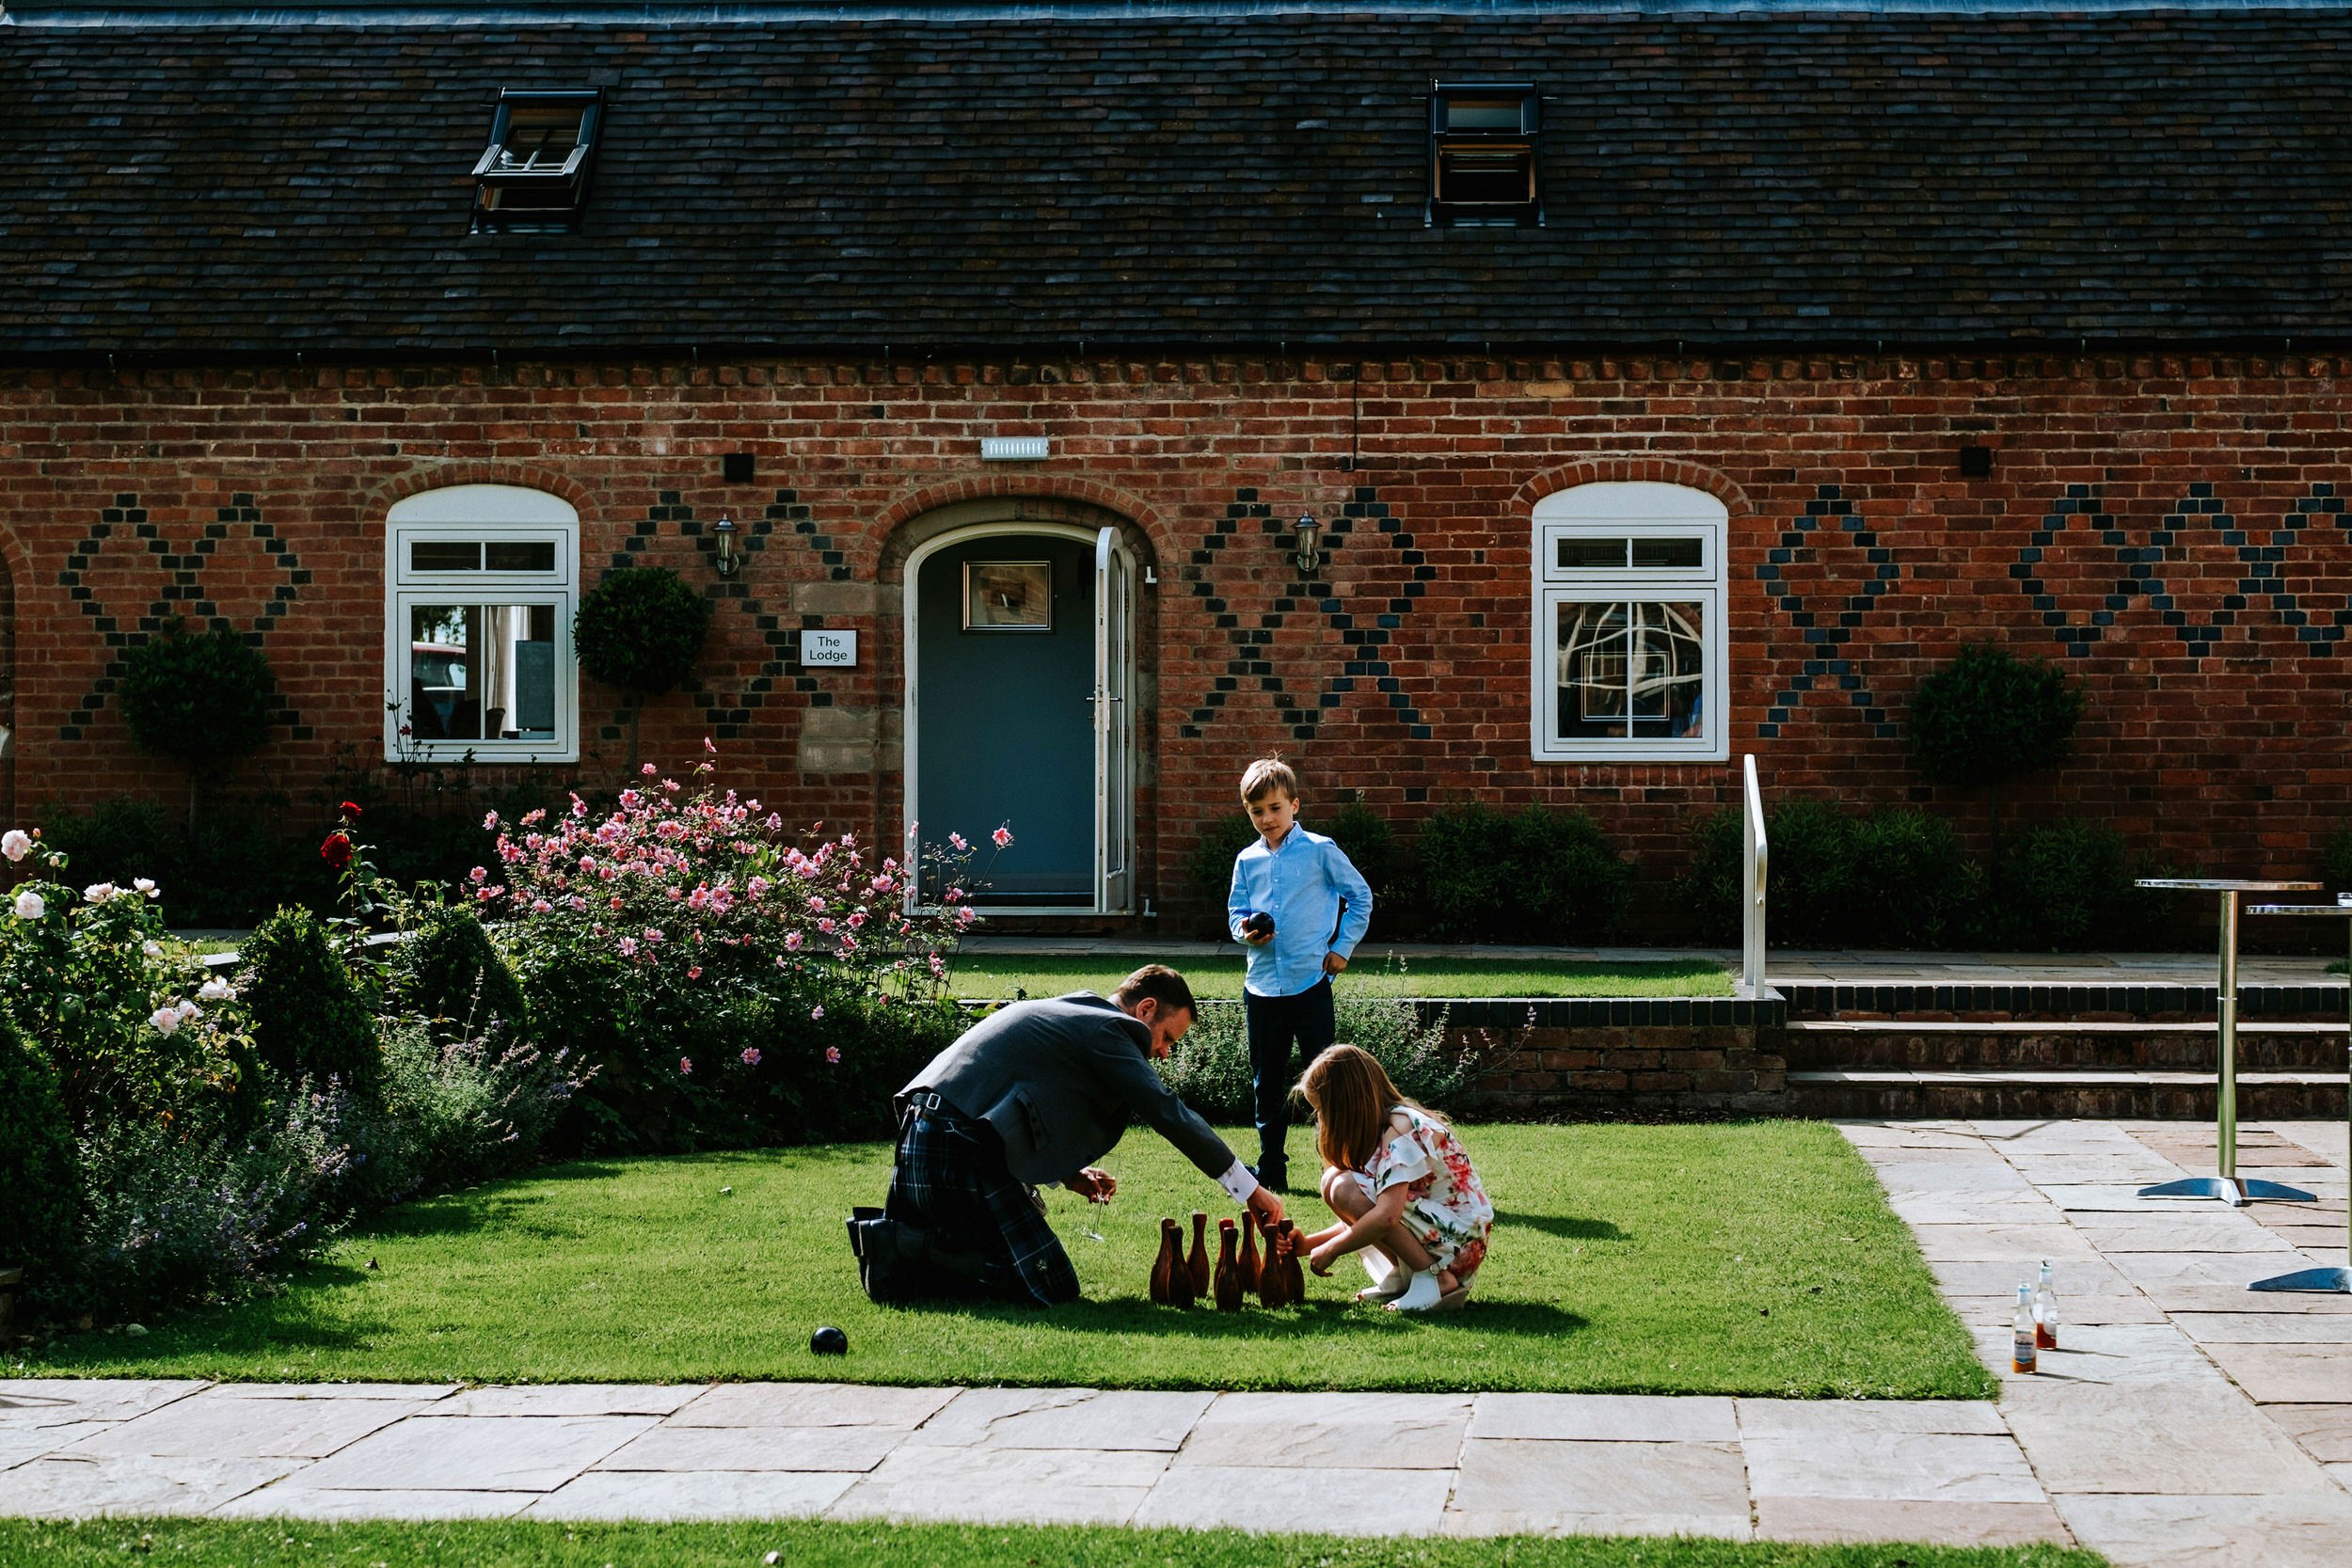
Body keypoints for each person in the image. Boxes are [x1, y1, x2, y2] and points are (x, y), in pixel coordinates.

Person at [849, 964, 1286, 1306]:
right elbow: (1165, 1110)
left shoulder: (1078, 1012)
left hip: (926, 1132)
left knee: (1002, 1267)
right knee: (1049, 1282)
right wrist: (1249, 1190)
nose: (1164, 1053)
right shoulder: (1114, 1028)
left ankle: (907, 1246)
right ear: (1146, 1009)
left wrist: (1069, 1173)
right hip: (955, 1143)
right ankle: (900, 1243)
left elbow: (1026, 1096)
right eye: (1168, 1037)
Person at [1226, 757, 1372, 1191]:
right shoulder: (1246, 860)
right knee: (1266, 1083)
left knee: (1326, 1081)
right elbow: (1236, 913)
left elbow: (1360, 897)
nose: (1267, 819)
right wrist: (1246, 933)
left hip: (1310, 985)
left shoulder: (1320, 850)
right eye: (1257, 812)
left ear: (1294, 804)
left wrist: (1342, 948)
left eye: (1274, 808)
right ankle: (1272, 1170)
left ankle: (1342, 1166)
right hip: (1262, 988)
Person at [1293, 1043, 1492, 1313]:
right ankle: (1405, 1274)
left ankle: (1435, 1279)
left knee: (1343, 1187)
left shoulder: (1400, 1130)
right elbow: (1371, 1215)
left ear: (1345, 1105)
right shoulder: (1384, 1127)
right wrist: (1309, 1245)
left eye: (1323, 1111)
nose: (1320, 1119)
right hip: (1442, 1231)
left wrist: (1332, 1251)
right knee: (1334, 1181)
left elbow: (1387, 1216)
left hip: (1459, 1240)